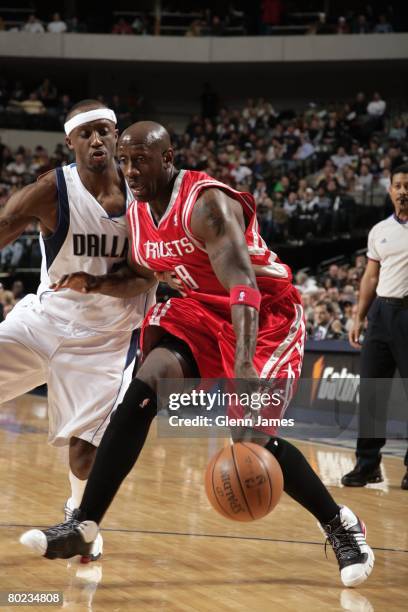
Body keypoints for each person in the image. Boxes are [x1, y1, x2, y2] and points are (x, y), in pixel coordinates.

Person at [21, 122, 374, 587]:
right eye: (124, 161)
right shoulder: (139, 210)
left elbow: (244, 285)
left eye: (139, 160)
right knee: (143, 389)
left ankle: (341, 525)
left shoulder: (206, 203)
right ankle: (84, 525)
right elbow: (145, 274)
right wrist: (98, 283)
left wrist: (244, 362)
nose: (129, 171)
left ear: (168, 159)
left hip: (262, 317)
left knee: (250, 438)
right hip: (200, 313)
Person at [0, 102, 156, 561]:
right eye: (85, 133)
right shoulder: (52, 189)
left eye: (104, 131)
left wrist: (99, 283)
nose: (96, 141)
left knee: (85, 455)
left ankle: (80, 519)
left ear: (116, 135)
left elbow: (147, 276)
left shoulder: (142, 196)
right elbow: (5, 225)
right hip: (45, 322)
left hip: (109, 338)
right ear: (70, 142)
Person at [342, 164, 408, 489]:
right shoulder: (379, 229)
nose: (403, 191)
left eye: (407, 186)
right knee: (371, 392)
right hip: (381, 313)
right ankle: (367, 465)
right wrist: (359, 316)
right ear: (390, 190)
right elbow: (370, 276)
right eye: (398, 186)